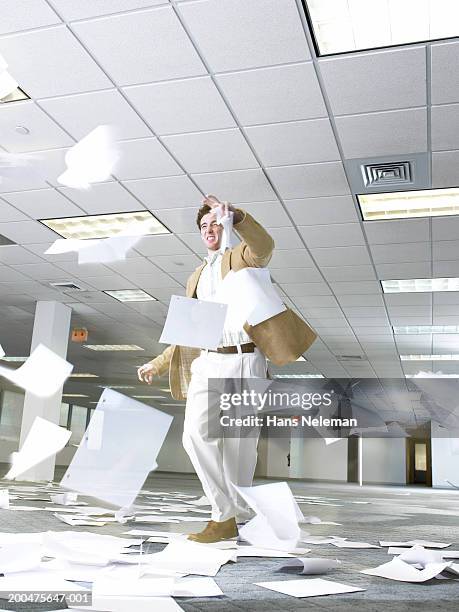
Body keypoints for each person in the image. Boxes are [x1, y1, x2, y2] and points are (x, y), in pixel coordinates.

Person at [138, 195, 316, 543]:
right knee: (194, 435)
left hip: (246, 359)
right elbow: (188, 331)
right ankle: (224, 514)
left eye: (215, 224)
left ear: (227, 227)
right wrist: (158, 363)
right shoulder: (196, 276)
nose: (209, 230)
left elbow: (265, 245)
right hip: (209, 360)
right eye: (204, 226)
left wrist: (238, 217)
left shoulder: (241, 259)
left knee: (240, 448)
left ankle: (234, 516)